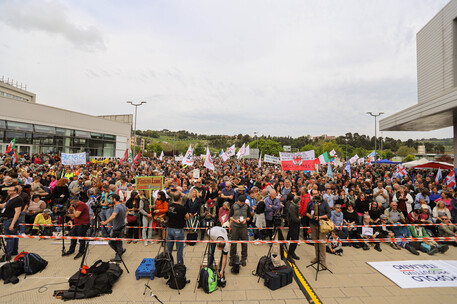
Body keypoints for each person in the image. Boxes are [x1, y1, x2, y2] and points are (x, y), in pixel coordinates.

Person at [305, 189, 331, 268]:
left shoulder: (324, 202)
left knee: (322, 243)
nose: (316, 195)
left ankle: (323, 261)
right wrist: (309, 215)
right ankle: (317, 257)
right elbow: (306, 212)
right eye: (314, 194)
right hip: (313, 224)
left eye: (317, 193)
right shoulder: (311, 202)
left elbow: (329, 214)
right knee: (316, 242)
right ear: (312, 195)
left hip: (322, 224)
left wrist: (320, 217)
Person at [101, 194, 127, 262]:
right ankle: (120, 251)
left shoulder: (117, 207)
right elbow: (126, 211)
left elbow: (113, 216)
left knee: (111, 242)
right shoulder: (123, 205)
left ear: (115, 199)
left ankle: (119, 254)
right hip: (122, 226)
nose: (110, 200)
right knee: (119, 241)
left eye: (111, 199)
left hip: (117, 228)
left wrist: (105, 222)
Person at [0, 186, 23, 261]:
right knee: (14, 235)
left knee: (9, 237)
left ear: (15, 191)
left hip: (10, 220)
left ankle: (8, 254)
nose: (8, 192)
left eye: (10, 191)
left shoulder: (17, 199)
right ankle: (14, 251)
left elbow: (17, 212)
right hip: (7, 219)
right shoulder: (11, 198)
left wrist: (12, 224)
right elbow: (4, 205)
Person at [167, 192, 189, 265]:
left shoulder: (169, 206)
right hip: (178, 230)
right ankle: (180, 266)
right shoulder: (182, 208)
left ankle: (168, 264)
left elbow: (167, 215)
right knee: (179, 250)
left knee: (169, 249)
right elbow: (187, 217)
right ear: (180, 198)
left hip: (169, 229)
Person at [229, 194, 251, 267]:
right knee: (233, 243)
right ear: (238, 201)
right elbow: (230, 217)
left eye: (243, 202)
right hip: (235, 227)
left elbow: (249, 217)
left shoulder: (247, 207)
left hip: (243, 227)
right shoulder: (233, 206)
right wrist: (235, 220)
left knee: (244, 243)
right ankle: (232, 258)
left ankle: (243, 259)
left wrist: (245, 220)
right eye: (240, 202)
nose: (241, 203)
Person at [287, 196, 301, 260]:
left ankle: (292, 252)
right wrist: (299, 219)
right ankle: (289, 254)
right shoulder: (292, 207)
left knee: (296, 239)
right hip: (293, 225)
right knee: (293, 239)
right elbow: (294, 218)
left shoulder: (296, 207)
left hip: (296, 225)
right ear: (297, 202)